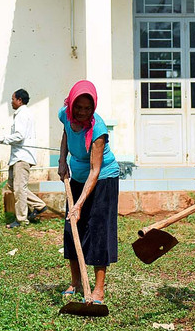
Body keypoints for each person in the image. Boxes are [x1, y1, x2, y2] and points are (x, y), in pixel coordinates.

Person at [57, 80, 119, 304]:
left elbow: (95, 170)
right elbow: (66, 134)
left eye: (87, 109)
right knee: (71, 228)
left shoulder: (98, 130)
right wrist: (62, 160)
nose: (82, 112)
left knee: (97, 232)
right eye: (78, 107)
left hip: (103, 180)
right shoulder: (65, 114)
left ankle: (99, 290)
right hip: (77, 177)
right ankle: (75, 282)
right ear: (71, 104)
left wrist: (79, 204)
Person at [0, 88, 47, 228]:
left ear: (19, 100)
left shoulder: (22, 114)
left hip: (22, 157)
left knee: (19, 187)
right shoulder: (22, 114)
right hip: (18, 157)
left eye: (13, 99)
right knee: (13, 185)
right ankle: (39, 205)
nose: (11, 102)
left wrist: (1, 139)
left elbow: (19, 135)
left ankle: (21, 219)